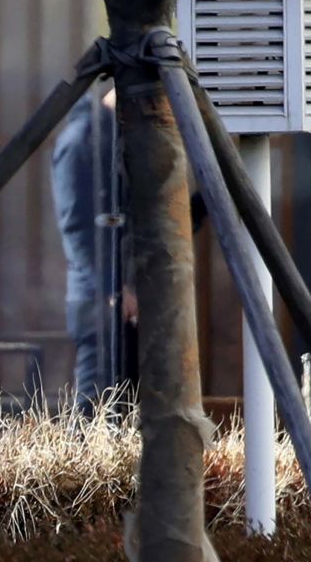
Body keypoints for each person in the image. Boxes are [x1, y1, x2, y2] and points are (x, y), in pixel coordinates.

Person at [51, 89, 206, 413]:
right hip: (102, 302)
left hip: (132, 296)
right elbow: (77, 228)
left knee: (131, 408)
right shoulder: (82, 141)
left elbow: (150, 224)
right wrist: (114, 288)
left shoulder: (125, 141)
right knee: (97, 408)